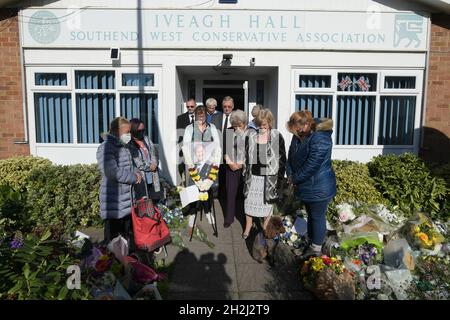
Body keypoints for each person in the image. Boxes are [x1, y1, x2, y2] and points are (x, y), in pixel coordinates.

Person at [286, 110, 336, 259]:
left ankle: (315, 249)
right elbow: (291, 157)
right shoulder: (299, 136)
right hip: (306, 185)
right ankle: (311, 242)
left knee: (317, 216)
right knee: (311, 216)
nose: (295, 132)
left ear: (307, 124)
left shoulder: (321, 138)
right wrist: (289, 174)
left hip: (319, 185)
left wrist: (295, 179)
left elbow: (312, 165)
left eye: (297, 128)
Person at [96, 116, 142, 246]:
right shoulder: (105, 148)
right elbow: (112, 172)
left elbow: (130, 166)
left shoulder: (124, 146)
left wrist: (136, 172)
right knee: (113, 244)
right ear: (116, 131)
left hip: (127, 202)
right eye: (127, 132)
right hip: (114, 204)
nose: (129, 135)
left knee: (126, 241)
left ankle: (127, 264)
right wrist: (133, 177)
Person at [243, 109, 286, 239]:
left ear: (270, 123)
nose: (262, 127)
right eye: (260, 125)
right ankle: (248, 226)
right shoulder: (251, 136)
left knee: (267, 204)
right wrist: (245, 173)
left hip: (269, 178)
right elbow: (246, 156)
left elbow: (282, 158)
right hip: (253, 176)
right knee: (249, 202)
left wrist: (279, 178)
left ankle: (266, 227)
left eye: (265, 125)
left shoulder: (276, 136)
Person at [182, 105, 222, 235]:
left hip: (208, 165)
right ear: (196, 115)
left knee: (207, 193)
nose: (201, 117)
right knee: (193, 194)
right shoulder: (190, 128)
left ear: (206, 115)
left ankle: (209, 215)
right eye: (199, 114)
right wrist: (191, 166)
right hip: (194, 165)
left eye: (203, 114)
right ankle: (191, 221)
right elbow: (186, 148)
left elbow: (217, 146)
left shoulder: (212, 128)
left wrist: (215, 163)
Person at [127, 118, 164, 203]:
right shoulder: (129, 145)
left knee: (156, 200)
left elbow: (154, 152)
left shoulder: (146, 139)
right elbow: (136, 161)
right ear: (133, 130)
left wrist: (154, 163)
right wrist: (149, 166)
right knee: (144, 202)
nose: (142, 132)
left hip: (153, 175)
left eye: (143, 130)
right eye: (140, 130)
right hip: (142, 177)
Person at [223, 110, 248, 230]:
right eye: (235, 125)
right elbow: (225, 150)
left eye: (239, 125)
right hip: (231, 167)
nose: (237, 127)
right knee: (230, 193)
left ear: (244, 123)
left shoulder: (250, 133)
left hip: (244, 167)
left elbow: (251, 152)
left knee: (244, 194)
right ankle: (229, 218)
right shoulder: (229, 131)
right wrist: (231, 164)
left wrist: (241, 164)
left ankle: (245, 219)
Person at [219, 96, 236, 227]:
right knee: (221, 186)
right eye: (225, 106)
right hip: (218, 158)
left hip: (233, 159)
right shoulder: (216, 118)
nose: (227, 109)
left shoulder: (238, 119)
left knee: (232, 189)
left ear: (233, 106)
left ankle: (229, 218)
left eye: (229, 106)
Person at [177, 98, 197, 183]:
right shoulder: (181, 118)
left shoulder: (201, 117)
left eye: (192, 106)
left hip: (198, 150)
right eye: (188, 106)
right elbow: (179, 135)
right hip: (186, 151)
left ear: (195, 106)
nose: (190, 108)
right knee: (188, 174)